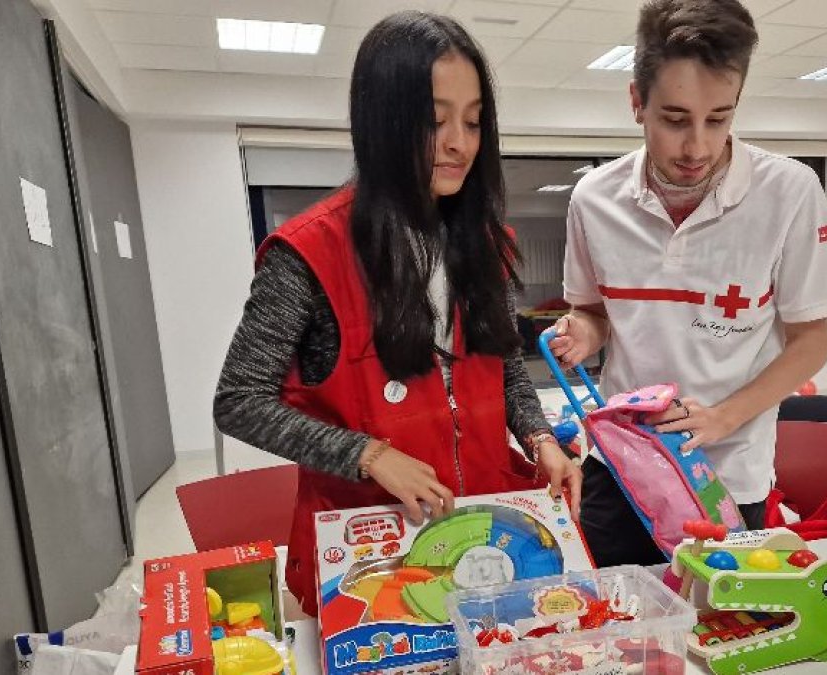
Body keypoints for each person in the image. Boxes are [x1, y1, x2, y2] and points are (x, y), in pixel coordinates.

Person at [215, 11, 580, 616]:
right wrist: (370, 454)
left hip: (486, 539)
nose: (459, 143)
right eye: (435, 121)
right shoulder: (310, 253)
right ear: (382, 124)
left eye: (472, 122)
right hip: (372, 551)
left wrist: (538, 437)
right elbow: (240, 400)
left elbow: (504, 364)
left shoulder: (485, 243)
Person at [550, 0, 827, 567]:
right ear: (637, 102)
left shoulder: (790, 193)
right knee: (619, 627)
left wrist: (722, 417)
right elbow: (593, 312)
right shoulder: (594, 199)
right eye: (675, 119)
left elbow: (813, 342)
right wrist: (583, 334)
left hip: (727, 473)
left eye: (719, 119)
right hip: (620, 462)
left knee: (718, 628)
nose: (697, 148)